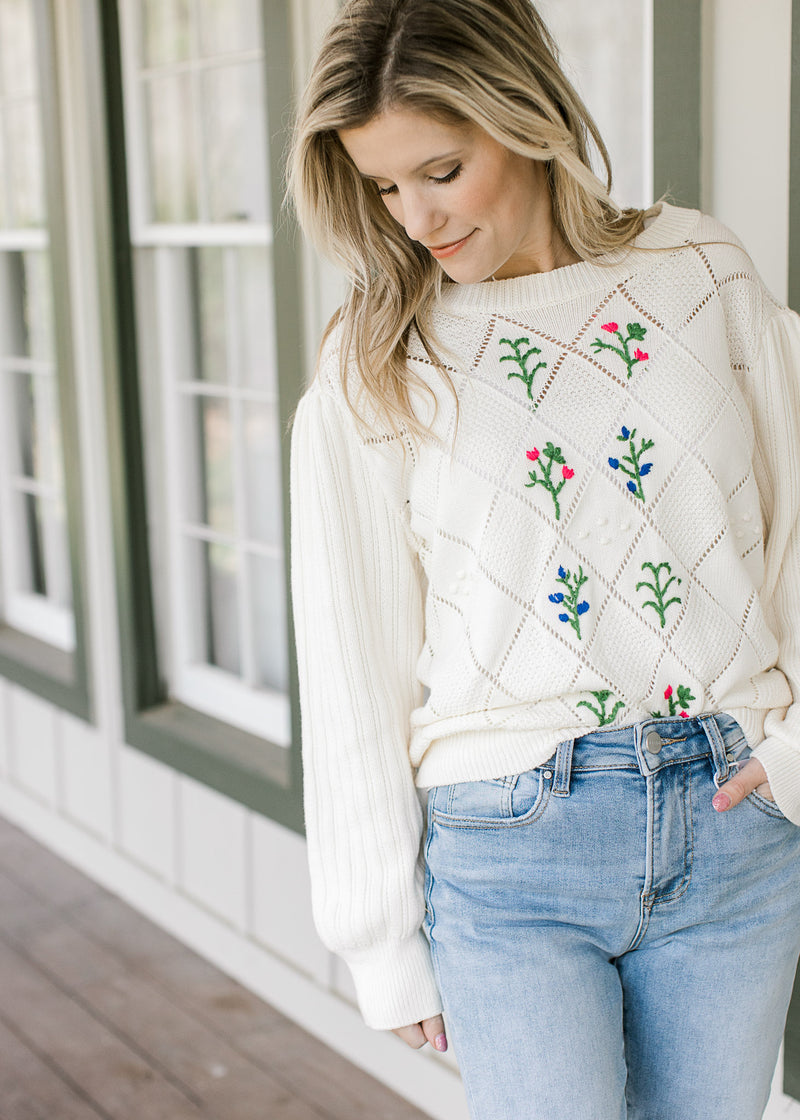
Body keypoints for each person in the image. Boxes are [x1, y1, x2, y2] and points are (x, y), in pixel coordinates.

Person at [287, 1, 800, 1116]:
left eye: (439, 168)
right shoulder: (376, 358)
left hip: (733, 817)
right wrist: (378, 934)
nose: (413, 217)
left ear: (523, 114)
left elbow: (796, 520)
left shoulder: (698, 270)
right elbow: (350, 663)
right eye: (380, 186)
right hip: (511, 853)